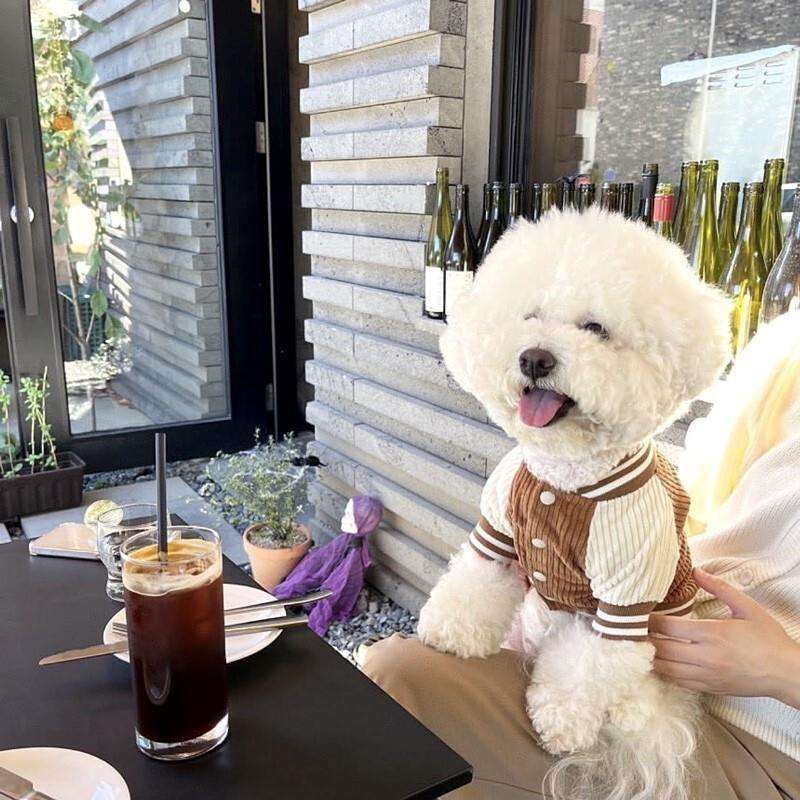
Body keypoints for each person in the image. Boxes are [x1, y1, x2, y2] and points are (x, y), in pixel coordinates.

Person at [363, 312, 800, 799]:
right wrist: (577, 551)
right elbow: (694, 500)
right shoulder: (789, 350)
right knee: (395, 675)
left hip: (766, 751)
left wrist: (782, 671)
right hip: (655, 652)